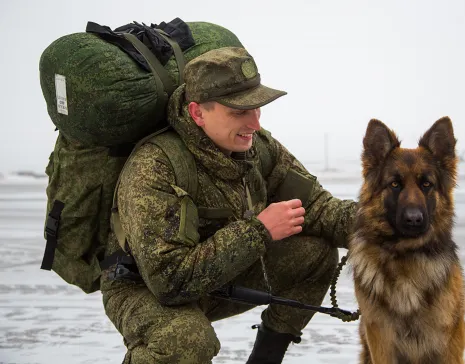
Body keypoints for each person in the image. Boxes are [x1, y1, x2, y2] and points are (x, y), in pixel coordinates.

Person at [100, 46, 357, 364]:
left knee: (316, 254)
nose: (255, 124)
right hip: (143, 287)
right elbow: (169, 281)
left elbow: (317, 207)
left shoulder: (257, 149)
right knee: (186, 341)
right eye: (239, 111)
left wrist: (384, 222)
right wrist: (259, 230)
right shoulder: (156, 166)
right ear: (197, 113)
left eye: (257, 108)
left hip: (218, 275)